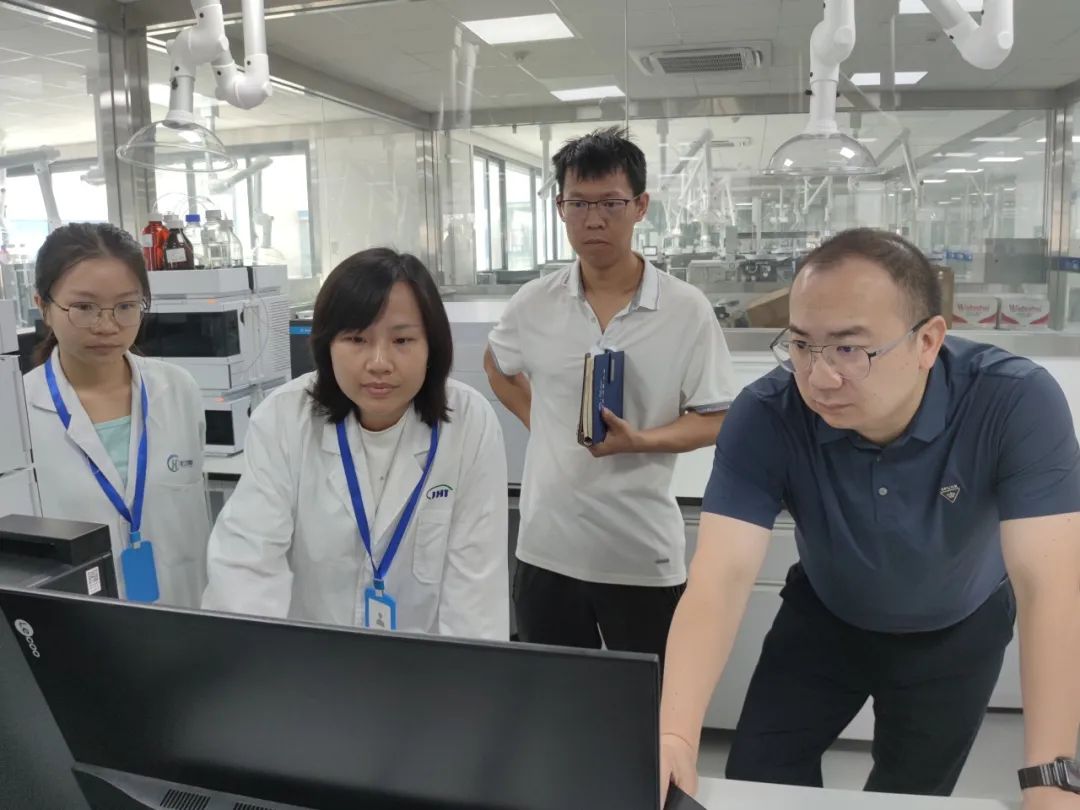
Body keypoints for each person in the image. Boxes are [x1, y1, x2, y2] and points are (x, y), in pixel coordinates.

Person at [660, 229, 1080, 809]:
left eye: (849, 349)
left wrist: (1050, 776)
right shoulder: (767, 414)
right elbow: (719, 577)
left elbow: (1050, 587)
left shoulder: (1013, 402)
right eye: (801, 345)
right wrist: (676, 736)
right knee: (761, 772)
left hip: (957, 627)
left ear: (927, 341)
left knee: (909, 795)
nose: (819, 377)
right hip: (826, 616)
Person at [484, 127, 736, 663]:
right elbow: (497, 366)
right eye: (578, 203)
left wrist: (640, 441)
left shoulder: (685, 309)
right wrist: (542, 422)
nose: (593, 219)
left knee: (648, 700)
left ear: (640, 206)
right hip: (546, 550)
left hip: (640, 554)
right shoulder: (534, 302)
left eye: (611, 203)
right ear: (560, 208)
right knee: (554, 699)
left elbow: (715, 417)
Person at [203, 248, 509, 640]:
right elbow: (248, 566)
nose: (379, 362)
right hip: (314, 659)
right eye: (356, 339)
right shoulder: (283, 418)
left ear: (432, 346)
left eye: (402, 339)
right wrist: (258, 667)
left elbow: (475, 590)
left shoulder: (469, 421)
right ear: (327, 345)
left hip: (426, 662)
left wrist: (465, 677)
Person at [24, 222, 210, 608]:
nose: (107, 326)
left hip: (185, 616)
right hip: (77, 623)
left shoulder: (178, 390)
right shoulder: (18, 411)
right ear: (43, 307)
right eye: (84, 308)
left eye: (126, 306)